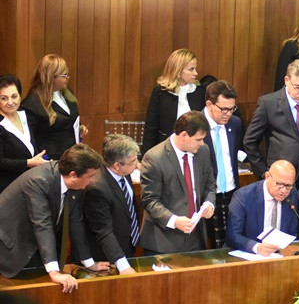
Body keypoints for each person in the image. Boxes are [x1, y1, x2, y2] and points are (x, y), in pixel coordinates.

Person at [0, 144, 109, 293]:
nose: (93, 181)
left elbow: (75, 222)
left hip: (35, 243)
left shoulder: (75, 185)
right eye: (90, 176)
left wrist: (89, 263)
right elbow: (42, 225)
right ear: (73, 175)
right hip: (10, 243)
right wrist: (55, 273)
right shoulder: (38, 181)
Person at [139, 111, 216, 255]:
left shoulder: (203, 151)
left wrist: (209, 204)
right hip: (164, 241)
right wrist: (174, 220)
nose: (202, 143)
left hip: (196, 238)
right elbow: (150, 200)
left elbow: (210, 184)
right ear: (184, 135)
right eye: (198, 139)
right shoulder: (154, 158)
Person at [83, 134, 140, 275]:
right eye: (133, 161)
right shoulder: (97, 189)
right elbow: (103, 231)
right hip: (106, 258)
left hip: (127, 246)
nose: (137, 164)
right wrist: (122, 265)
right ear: (116, 166)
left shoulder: (124, 172)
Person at [21, 54, 88, 160]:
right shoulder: (32, 104)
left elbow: (70, 120)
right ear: (51, 77)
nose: (67, 78)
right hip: (52, 160)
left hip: (72, 155)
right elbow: (30, 139)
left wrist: (80, 128)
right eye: (64, 75)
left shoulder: (68, 92)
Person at [226, 160, 299, 255]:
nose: (284, 191)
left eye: (289, 185)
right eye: (279, 184)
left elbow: (292, 232)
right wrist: (257, 247)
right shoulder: (243, 196)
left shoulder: (292, 194)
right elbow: (232, 236)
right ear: (268, 176)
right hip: (250, 255)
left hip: (280, 255)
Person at [142, 48, 206, 155]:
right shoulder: (160, 93)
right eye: (191, 69)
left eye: (195, 68)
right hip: (167, 151)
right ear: (178, 70)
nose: (196, 73)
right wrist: (145, 156)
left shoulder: (200, 92)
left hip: (195, 150)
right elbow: (151, 127)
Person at [202, 80, 243, 248]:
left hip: (232, 193)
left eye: (232, 109)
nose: (228, 114)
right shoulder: (195, 124)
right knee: (209, 246)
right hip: (207, 197)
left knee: (231, 243)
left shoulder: (235, 123)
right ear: (209, 104)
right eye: (223, 109)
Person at [0, 75, 49, 192]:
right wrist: (28, 163)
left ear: (20, 96)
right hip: (8, 186)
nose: (10, 102)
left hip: (30, 181)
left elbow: (32, 146)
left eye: (14, 96)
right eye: (4, 98)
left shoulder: (25, 114)